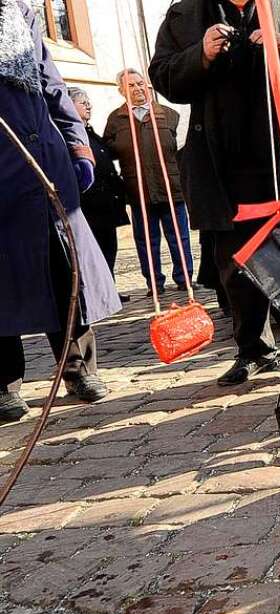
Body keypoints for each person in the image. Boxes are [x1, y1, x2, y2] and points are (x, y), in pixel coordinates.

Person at [150, 0, 280, 386]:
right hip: (224, 167)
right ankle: (254, 349)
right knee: (236, 265)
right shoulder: (184, 14)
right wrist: (200, 55)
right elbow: (163, 76)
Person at [0, 0, 120, 422]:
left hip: (42, 161)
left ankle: (79, 369)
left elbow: (51, 82)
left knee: (64, 267)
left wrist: (76, 143)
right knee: (3, 279)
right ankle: (4, 385)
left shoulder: (20, 11)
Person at [103, 69, 194, 296]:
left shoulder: (168, 114)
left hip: (170, 189)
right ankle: (154, 284)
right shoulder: (116, 120)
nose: (137, 89)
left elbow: (183, 149)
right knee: (146, 241)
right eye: (131, 86)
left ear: (148, 86)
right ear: (122, 91)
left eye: (140, 84)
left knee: (179, 238)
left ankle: (185, 278)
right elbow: (107, 151)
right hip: (139, 192)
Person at [67, 86, 131, 302]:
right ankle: (97, 295)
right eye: (82, 102)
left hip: (106, 205)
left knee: (108, 250)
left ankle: (108, 291)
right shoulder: (70, 134)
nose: (89, 105)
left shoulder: (90, 132)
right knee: (93, 254)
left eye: (88, 102)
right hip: (89, 206)